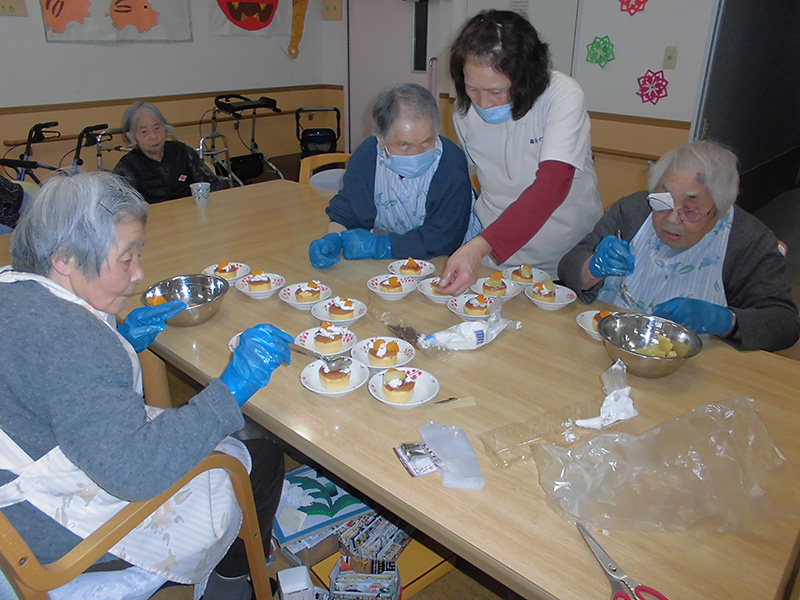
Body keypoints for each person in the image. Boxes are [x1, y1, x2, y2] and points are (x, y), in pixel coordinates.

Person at [0, 172, 291, 599]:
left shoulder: (14, 288)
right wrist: (231, 388)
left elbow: (57, 383)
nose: (139, 273)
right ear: (64, 259)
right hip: (48, 536)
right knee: (259, 459)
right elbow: (136, 472)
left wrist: (119, 340)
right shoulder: (69, 338)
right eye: (126, 258)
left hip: (27, 486)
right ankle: (229, 589)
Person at [558, 140, 800, 352]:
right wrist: (592, 268)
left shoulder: (748, 240)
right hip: (604, 346)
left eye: (691, 210)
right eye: (663, 201)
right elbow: (569, 266)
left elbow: (785, 323)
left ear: (722, 209)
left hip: (694, 370)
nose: (672, 219)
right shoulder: (632, 211)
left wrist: (722, 320)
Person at [437, 10, 603, 295]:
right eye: (472, 89)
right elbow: (472, 179)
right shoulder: (465, 110)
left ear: (525, 78)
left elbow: (551, 187)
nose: (484, 104)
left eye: (496, 91)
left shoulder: (561, 96)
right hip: (497, 260)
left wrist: (479, 245)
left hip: (565, 259)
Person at [308, 83, 472, 268]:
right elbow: (348, 212)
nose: (416, 154)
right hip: (389, 263)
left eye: (426, 143)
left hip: (447, 262)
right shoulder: (367, 158)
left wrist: (382, 246)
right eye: (405, 146)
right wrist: (333, 238)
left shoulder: (451, 165)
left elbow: (443, 238)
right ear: (381, 140)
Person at [113, 101, 224, 204]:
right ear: (132, 136)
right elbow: (122, 205)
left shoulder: (182, 152)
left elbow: (213, 185)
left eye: (157, 128)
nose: (153, 136)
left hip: (191, 217)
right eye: (143, 132)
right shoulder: (127, 166)